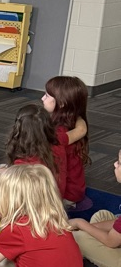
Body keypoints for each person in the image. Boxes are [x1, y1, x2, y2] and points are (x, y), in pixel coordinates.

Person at [0, 102, 67, 221]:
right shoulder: (57, 145)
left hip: (32, 207)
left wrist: (7, 172)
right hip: (44, 197)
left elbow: (19, 189)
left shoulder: (27, 159)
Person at [70, 148, 121, 267]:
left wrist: (80, 223)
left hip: (113, 242)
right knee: (101, 215)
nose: (115, 164)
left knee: (78, 237)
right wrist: (88, 227)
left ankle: (85, 255)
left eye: (119, 163)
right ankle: (90, 254)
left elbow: (111, 241)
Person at [42, 75, 90, 206]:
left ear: (62, 103)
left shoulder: (59, 134)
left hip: (63, 194)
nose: (42, 98)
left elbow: (56, 174)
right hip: (73, 190)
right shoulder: (74, 121)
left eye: (46, 96)